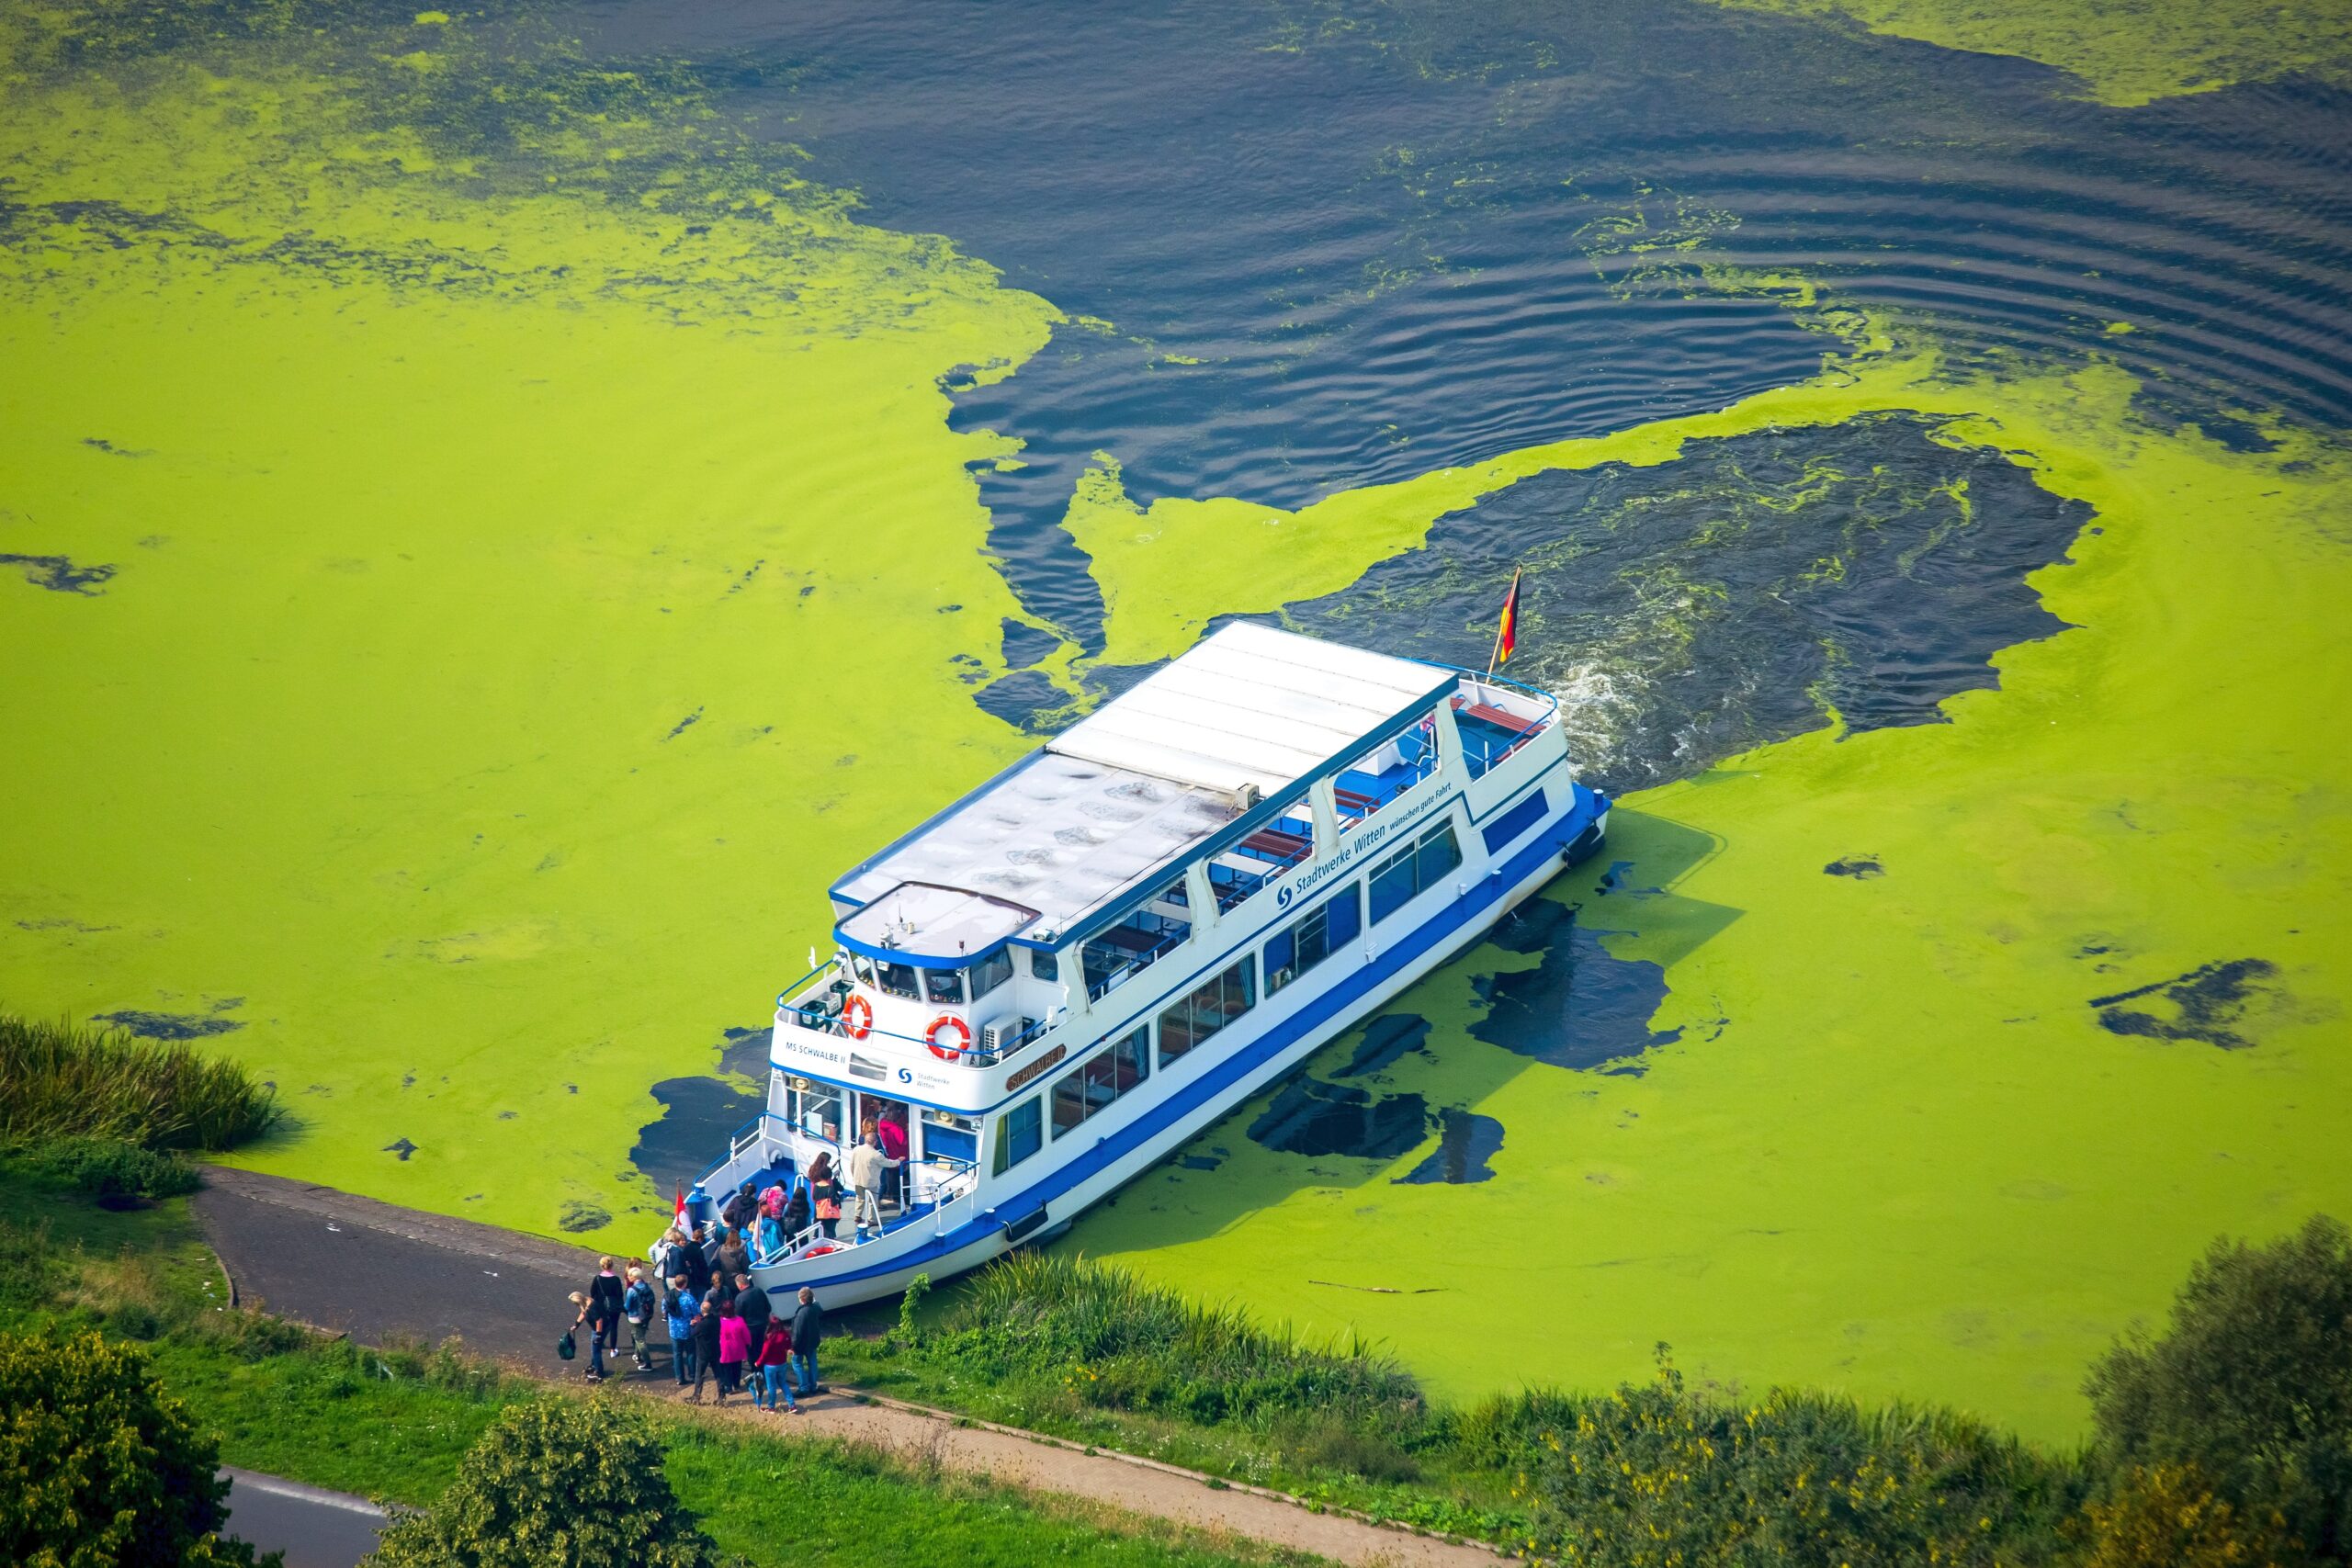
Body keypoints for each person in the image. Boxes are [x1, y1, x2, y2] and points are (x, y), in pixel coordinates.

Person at [753, 1316, 801, 1414]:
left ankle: (771, 1407)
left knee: (771, 1387)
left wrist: (758, 1362)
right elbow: (788, 1346)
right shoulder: (785, 1334)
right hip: (782, 1364)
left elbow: (764, 1353)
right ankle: (792, 1405)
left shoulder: (770, 1337)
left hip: (770, 1366)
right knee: (783, 1383)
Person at [846, 1128, 886, 1242]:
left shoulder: (856, 1149)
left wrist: (854, 1176)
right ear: (875, 1142)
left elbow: (852, 1164)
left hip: (858, 1179)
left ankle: (857, 1216)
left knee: (860, 1198)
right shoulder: (876, 1154)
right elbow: (889, 1163)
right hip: (871, 1182)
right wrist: (898, 1160)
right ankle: (871, 1220)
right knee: (872, 1202)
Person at [663, 1274, 700, 1386]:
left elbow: (664, 1312)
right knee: (691, 1353)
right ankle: (692, 1375)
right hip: (687, 1329)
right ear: (685, 1284)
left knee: (677, 1354)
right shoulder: (688, 1298)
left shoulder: (667, 1297)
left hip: (674, 1330)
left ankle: (679, 1377)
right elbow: (697, 1313)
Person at [568, 1289, 611, 1382]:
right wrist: (576, 1324)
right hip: (599, 1328)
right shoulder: (586, 1301)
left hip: (600, 1329)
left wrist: (598, 1336)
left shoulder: (591, 1307)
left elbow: (599, 1321)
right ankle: (594, 1365)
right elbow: (583, 1313)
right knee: (594, 1348)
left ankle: (599, 1374)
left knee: (596, 1351)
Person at [789, 1285, 825, 1397]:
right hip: (813, 1341)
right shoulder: (816, 1308)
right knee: (812, 1362)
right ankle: (813, 1386)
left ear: (802, 1300)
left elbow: (797, 1332)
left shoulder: (801, 1313)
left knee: (797, 1363)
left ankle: (803, 1387)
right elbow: (819, 1307)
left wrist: (792, 1346)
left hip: (801, 1344)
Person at [715, 1297, 751, 1407]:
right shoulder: (739, 1320)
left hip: (725, 1349)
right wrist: (748, 1343)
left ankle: (728, 1386)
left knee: (726, 1369)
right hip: (738, 1348)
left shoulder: (719, 1322)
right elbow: (746, 1335)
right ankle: (737, 1385)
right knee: (737, 1367)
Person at [621, 1263, 656, 1373]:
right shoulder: (647, 1286)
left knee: (640, 1340)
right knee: (641, 1335)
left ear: (634, 1277)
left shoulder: (632, 1290)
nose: (628, 1277)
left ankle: (648, 1363)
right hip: (647, 1315)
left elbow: (627, 1306)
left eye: (630, 1276)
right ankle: (637, 1355)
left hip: (635, 1317)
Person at [688, 1298, 724, 1404]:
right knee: (718, 1374)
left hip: (703, 1353)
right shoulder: (716, 1320)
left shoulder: (701, 1325)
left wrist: (692, 1325)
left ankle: (696, 1397)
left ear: (702, 1310)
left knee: (699, 1375)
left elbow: (693, 1334)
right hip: (716, 1350)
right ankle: (722, 1397)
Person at [588, 1257, 625, 1352]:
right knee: (614, 1327)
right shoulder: (616, 1279)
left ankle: (599, 1342)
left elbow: (592, 1293)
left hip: (600, 1306)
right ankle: (613, 1350)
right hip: (613, 1306)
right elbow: (620, 1294)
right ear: (612, 1265)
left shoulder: (597, 1278)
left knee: (599, 1324)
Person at [876, 1107, 910, 1211]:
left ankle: (891, 1194)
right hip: (899, 1156)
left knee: (890, 1178)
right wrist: (908, 1132)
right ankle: (899, 1198)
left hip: (889, 1154)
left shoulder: (882, 1125)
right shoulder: (896, 1129)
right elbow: (903, 1142)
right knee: (899, 1179)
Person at [807, 1153, 842, 1241]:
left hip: (815, 1194)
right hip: (825, 1196)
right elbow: (828, 1183)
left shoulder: (812, 1168)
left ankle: (816, 1234)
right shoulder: (824, 1170)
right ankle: (829, 1236)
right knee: (827, 1217)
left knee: (817, 1215)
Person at [735, 1270, 773, 1348]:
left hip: (750, 1329)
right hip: (763, 1325)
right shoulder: (759, 1291)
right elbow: (768, 1307)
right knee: (764, 1348)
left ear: (741, 1286)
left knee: (752, 1351)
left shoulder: (740, 1298)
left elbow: (739, 1317)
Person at [680, 1222, 713, 1296]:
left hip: (689, 1275)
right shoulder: (698, 1249)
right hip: (698, 1276)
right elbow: (702, 1264)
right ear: (700, 1239)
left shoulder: (686, 1247)